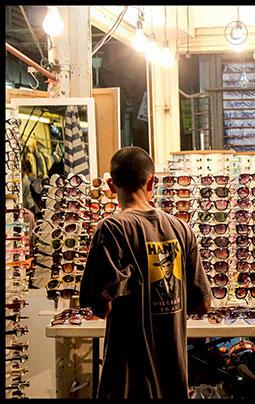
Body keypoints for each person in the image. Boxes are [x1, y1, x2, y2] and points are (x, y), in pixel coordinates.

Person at [80, 146, 212, 399]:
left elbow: (100, 308)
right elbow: (202, 305)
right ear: (152, 181)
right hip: (173, 375)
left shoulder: (111, 229)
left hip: (129, 378)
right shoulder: (180, 228)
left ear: (110, 184)